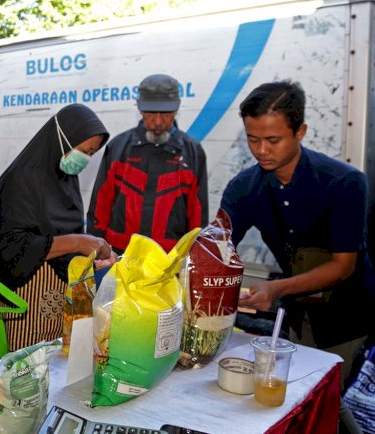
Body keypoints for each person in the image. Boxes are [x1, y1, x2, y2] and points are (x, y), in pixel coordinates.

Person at [221, 80, 374, 387]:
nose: (261, 151)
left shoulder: (344, 183)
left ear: (300, 132)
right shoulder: (244, 188)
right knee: (295, 395)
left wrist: (276, 290)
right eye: (252, 140)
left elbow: (343, 265)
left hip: (348, 314)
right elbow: (218, 248)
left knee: (322, 396)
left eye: (273, 140)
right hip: (297, 312)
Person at [0, 104, 115, 351]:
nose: (84, 160)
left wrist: (92, 252)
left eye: (91, 154)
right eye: (83, 151)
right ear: (63, 138)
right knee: (25, 371)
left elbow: (65, 230)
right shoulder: (22, 179)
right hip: (24, 297)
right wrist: (78, 242)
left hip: (55, 300)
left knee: (52, 365)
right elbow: (10, 247)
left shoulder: (65, 179)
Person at [87, 73, 208, 253]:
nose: (158, 122)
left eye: (165, 113)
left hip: (167, 261)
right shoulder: (118, 147)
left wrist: (195, 256)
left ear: (177, 109)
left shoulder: (193, 152)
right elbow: (100, 205)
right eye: (151, 113)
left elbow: (198, 214)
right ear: (140, 109)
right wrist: (94, 250)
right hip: (120, 254)